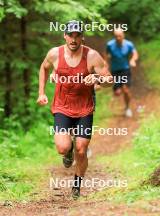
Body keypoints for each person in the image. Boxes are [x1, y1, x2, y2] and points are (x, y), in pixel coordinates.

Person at [37, 20, 112, 199]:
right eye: (70, 35)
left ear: (82, 37)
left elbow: (109, 80)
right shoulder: (54, 54)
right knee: (63, 148)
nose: (74, 39)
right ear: (65, 36)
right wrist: (41, 92)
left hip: (84, 108)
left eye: (77, 35)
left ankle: (76, 186)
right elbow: (43, 68)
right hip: (62, 107)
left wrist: (96, 79)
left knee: (82, 148)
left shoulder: (92, 56)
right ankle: (67, 151)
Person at [106, 28, 138, 117]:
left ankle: (127, 108)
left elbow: (135, 53)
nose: (118, 38)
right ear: (114, 37)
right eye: (116, 36)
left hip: (125, 69)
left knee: (126, 90)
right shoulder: (110, 45)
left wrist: (132, 59)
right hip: (114, 71)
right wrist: (105, 66)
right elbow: (107, 55)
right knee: (118, 92)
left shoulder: (129, 44)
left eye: (120, 36)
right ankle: (116, 91)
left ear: (123, 35)